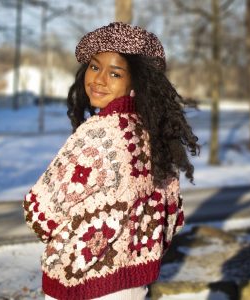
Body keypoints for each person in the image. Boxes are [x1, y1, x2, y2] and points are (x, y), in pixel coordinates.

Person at [23, 22, 199, 300]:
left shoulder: (99, 133)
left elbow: (40, 211)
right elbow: (172, 217)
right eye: (95, 67)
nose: (99, 79)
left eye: (115, 73)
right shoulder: (154, 134)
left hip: (82, 285)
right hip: (134, 284)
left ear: (137, 82)